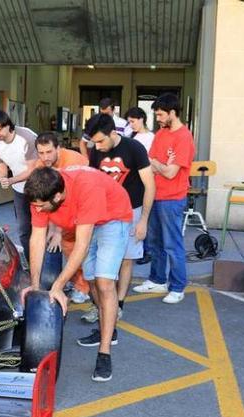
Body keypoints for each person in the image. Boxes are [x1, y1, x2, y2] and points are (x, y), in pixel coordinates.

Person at [24, 166, 132, 382]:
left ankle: (105, 351)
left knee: (104, 282)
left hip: (113, 217)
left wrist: (58, 285)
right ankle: (106, 326)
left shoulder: (86, 188)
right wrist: (34, 285)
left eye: (41, 206)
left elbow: (81, 246)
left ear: (57, 196)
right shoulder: (41, 193)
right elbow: (37, 239)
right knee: (91, 282)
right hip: (84, 219)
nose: (38, 209)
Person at [75, 114, 155, 346]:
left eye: (100, 141)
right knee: (100, 268)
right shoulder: (96, 150)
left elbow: (150, 185)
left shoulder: (135, 148)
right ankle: (104, 308)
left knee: (126, 259)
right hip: (104, 214)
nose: (97, 147)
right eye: (94, 143)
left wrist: (144, 221)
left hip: (133, 211)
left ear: (112, 133)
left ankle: (117, 305)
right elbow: (92, 180)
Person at [132, 93, 195, 304]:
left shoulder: (184, 137)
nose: (157, 119)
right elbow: (150, 162)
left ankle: (177, 287)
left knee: (172, 244)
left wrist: (158, 164)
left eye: (160, 114)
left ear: (172, 113)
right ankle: (157, 280)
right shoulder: (161, 134)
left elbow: (170, 173)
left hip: (172, 198)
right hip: (154, 195)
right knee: (155, 242)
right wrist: (160, 164)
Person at [32, 132, 90, 305]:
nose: (45, 157)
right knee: (67, 247)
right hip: (62, 207)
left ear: (59, 148)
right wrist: (50, 228)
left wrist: (57, 231)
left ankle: (87, 287)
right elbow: (45, 200)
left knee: (83, 247)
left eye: (49, 152)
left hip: (84, 204)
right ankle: (80, 285)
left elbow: (70, 196)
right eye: (41, 153)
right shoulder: (40, 167)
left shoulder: (75, 160)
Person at [0, 110, 38, 264]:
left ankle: (46, 265)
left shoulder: (26, 137)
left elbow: (32, 169)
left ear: (8, 125)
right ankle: (30, 263)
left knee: (41, 228)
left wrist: (11, 180)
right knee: (23, 230)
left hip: (38, 187)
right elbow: (1, 172)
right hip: (19, 190)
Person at [125, 106, 156, 266]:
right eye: (129, 122)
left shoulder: (151, 137)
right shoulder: (130, 136)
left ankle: (147, 249)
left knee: (145, 215)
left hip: (145, 177)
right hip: (133, 180)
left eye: (133, 121)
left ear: (141, 119)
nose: (131, 124)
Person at [79, 97, 132, 167]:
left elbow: (128, 145)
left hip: (118, 162)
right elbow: (82, 143)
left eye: (107, 113)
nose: (104, 116)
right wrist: (87, 161)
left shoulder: (124, 124)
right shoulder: (94, 123)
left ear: (113, 110)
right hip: (99, 161)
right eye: (102, 113)